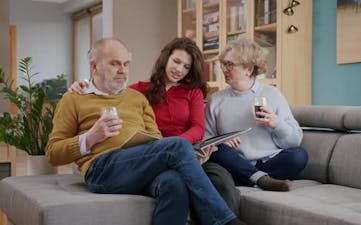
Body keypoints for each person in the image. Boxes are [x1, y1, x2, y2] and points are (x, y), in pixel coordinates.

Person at [46, 38, 246, 225]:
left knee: (174, 183)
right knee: (177, 145)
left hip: (139, 167)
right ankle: (225, 221)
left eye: (126, 64)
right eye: (115, 64)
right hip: (102, 169)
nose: (123, 70)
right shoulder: (73, 99)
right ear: (93, 66)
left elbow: (156, 141)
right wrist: (90, 138)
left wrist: (187, 158)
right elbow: (53, 153)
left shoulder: (137, 98)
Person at [205, 39, 308, 192]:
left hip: (268, 161)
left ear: (249, 69)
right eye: (223, 64)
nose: (224, 69)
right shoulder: (216, 100)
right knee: (217, 151)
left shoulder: (272, 94)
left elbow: (294, 142)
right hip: (235, 161)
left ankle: (251, 178)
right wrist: (223, 141)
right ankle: (261, 180)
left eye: (230, 65)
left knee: (299, 155)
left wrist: (276, 123)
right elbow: (206, 141)